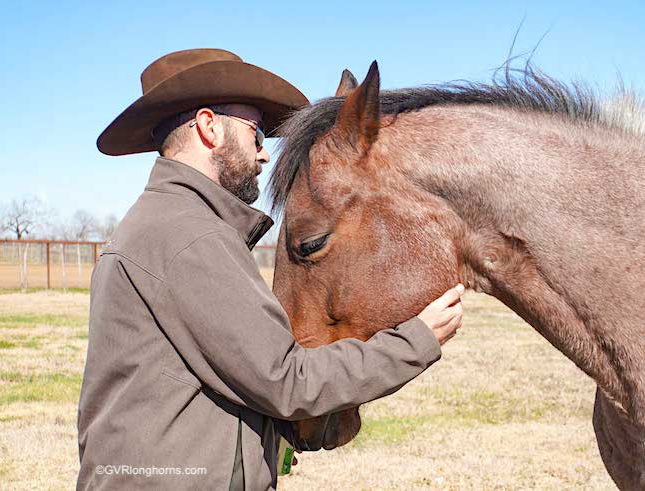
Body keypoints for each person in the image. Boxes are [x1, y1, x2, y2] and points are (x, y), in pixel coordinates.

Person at [77, 48, 464, 490]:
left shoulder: (167, 223)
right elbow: (286, 380)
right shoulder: (189, 236)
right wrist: (417, 340)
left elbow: (214, 377)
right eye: (256, 134)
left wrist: (263, 439)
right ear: (209, 128)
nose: (263, 156)